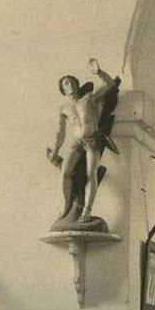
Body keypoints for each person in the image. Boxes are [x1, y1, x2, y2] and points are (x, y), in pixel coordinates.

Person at [47, 58, 120, 230]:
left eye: (71, 81)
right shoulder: (63, 108)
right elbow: (60, 133)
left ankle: (87, 211)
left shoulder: (89, 98)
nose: (69, 84)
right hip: (76, 142)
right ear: (62, 89)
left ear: (76, 84)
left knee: (91, 174)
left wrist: (99, 72)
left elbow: (111, 86)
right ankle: (66, 205)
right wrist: (55, 151)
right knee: (65, 172)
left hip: (92, 140)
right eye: (65, 83)